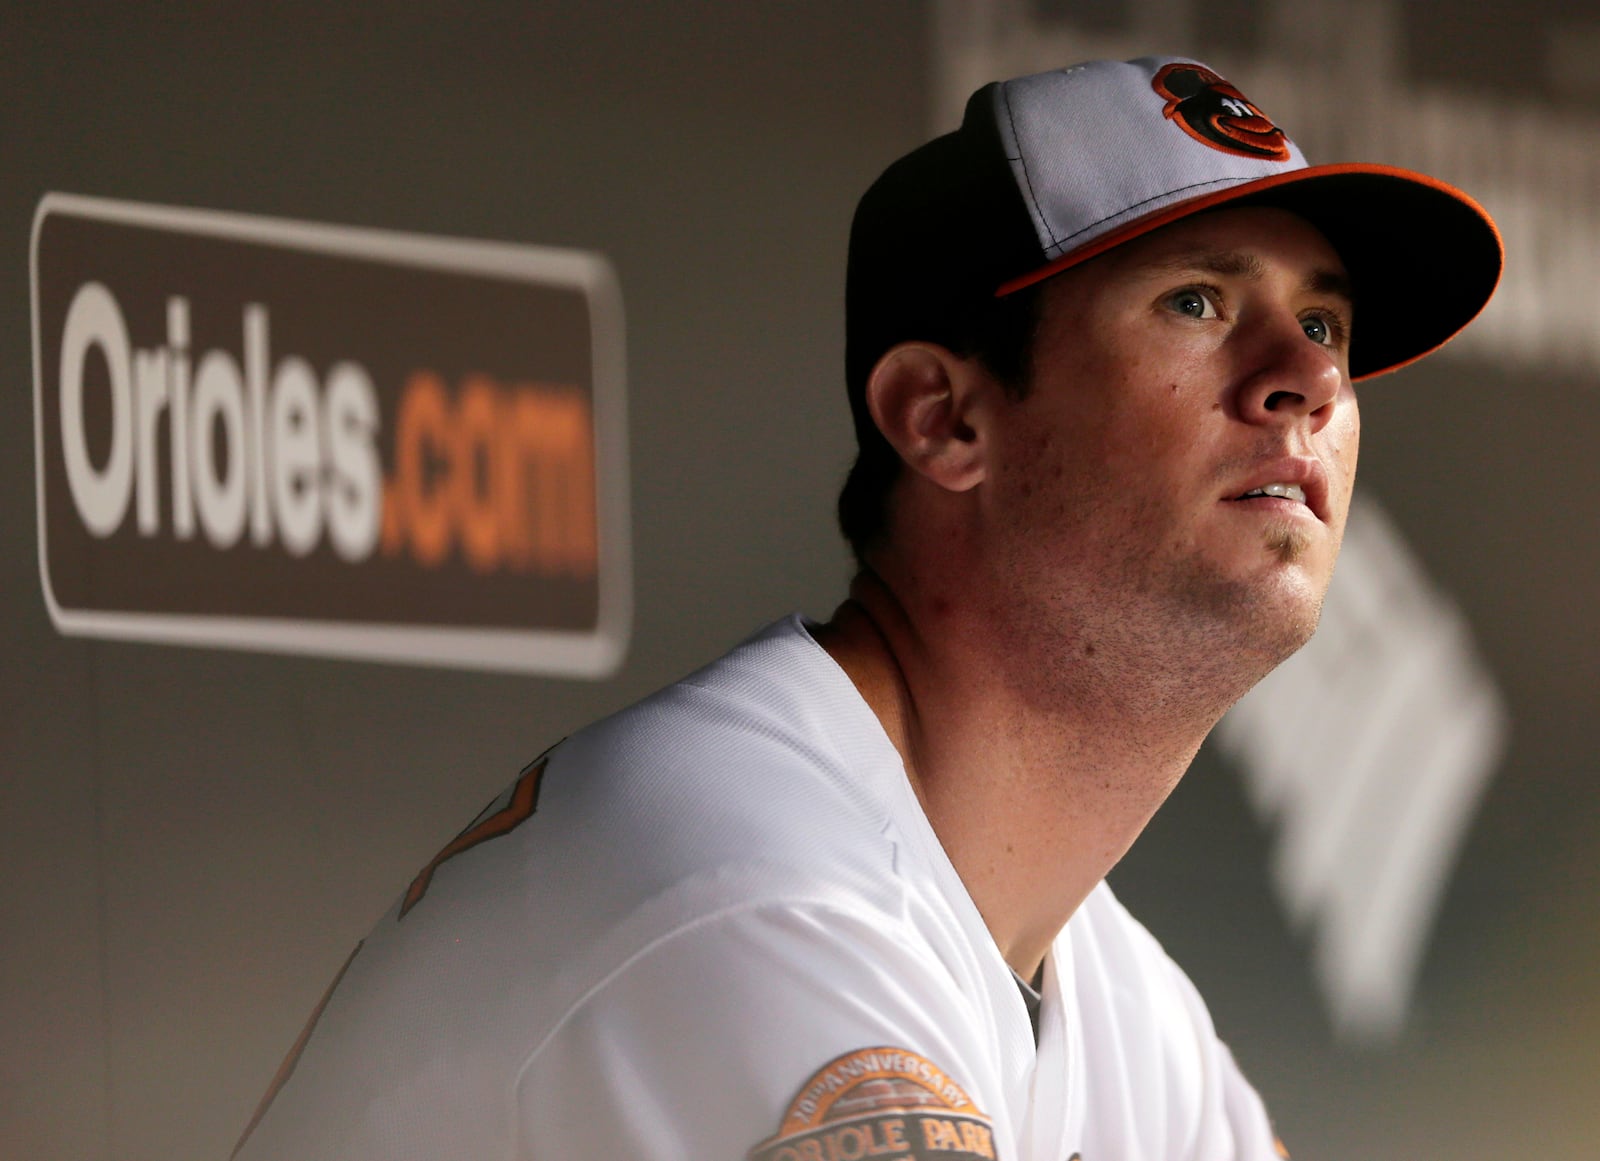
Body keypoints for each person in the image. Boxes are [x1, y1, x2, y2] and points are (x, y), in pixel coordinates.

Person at [233, 57, 1501, 1161]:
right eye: (1196, 303)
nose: (1307, 380)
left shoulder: (1100, 983)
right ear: (945, 420)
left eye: (1324, 321)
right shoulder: (765, 897)